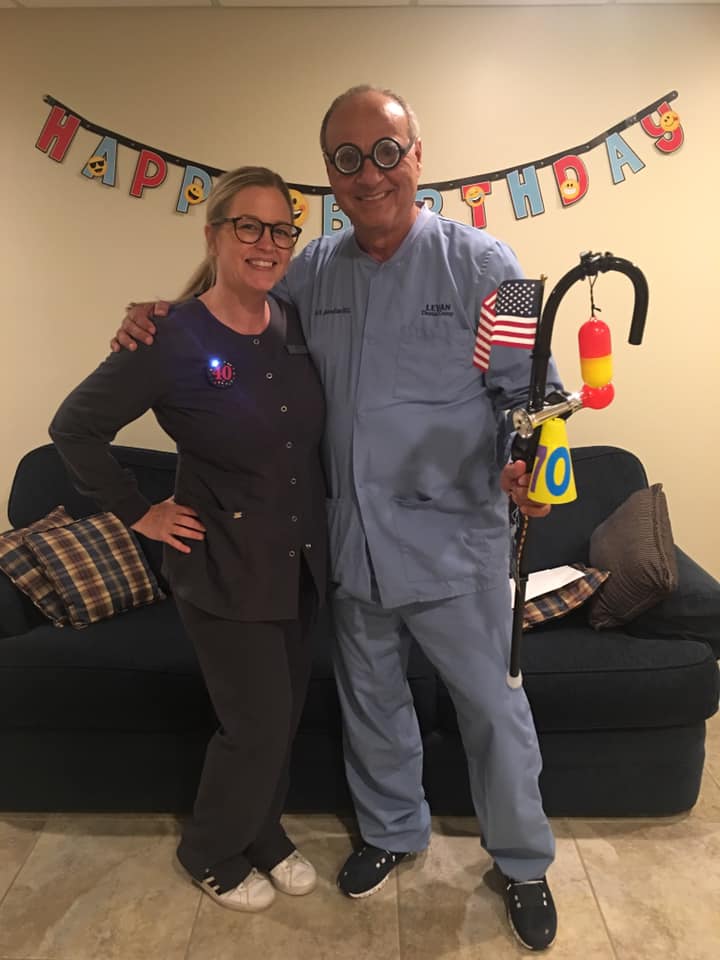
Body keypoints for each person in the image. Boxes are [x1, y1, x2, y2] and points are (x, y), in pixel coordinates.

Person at [114, 87, 561, 951]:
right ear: (329, 172)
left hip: (456, 545)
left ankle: (523, 861)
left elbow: (530, 394)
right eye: (347, 159)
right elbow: (232, 312)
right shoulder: (312, 269)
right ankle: (393, 833)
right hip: (347, 545)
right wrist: (158, 317)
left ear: (417, 157)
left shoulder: (490, 263)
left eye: (387, 152)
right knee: (372, 703)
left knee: (494, 714)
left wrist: (527, 463)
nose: (370, 174)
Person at [50, 166, 328, 913]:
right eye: (249, 226)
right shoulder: (168, 336)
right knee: (254, 726)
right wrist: (138, 511)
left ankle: (263, 832)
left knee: (283, 719)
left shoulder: (295, 322)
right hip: (224, 567)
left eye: (281, 230)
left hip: (301, 563)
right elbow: (74, 428)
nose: (267, 243)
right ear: (214, 235)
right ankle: (209, 849)